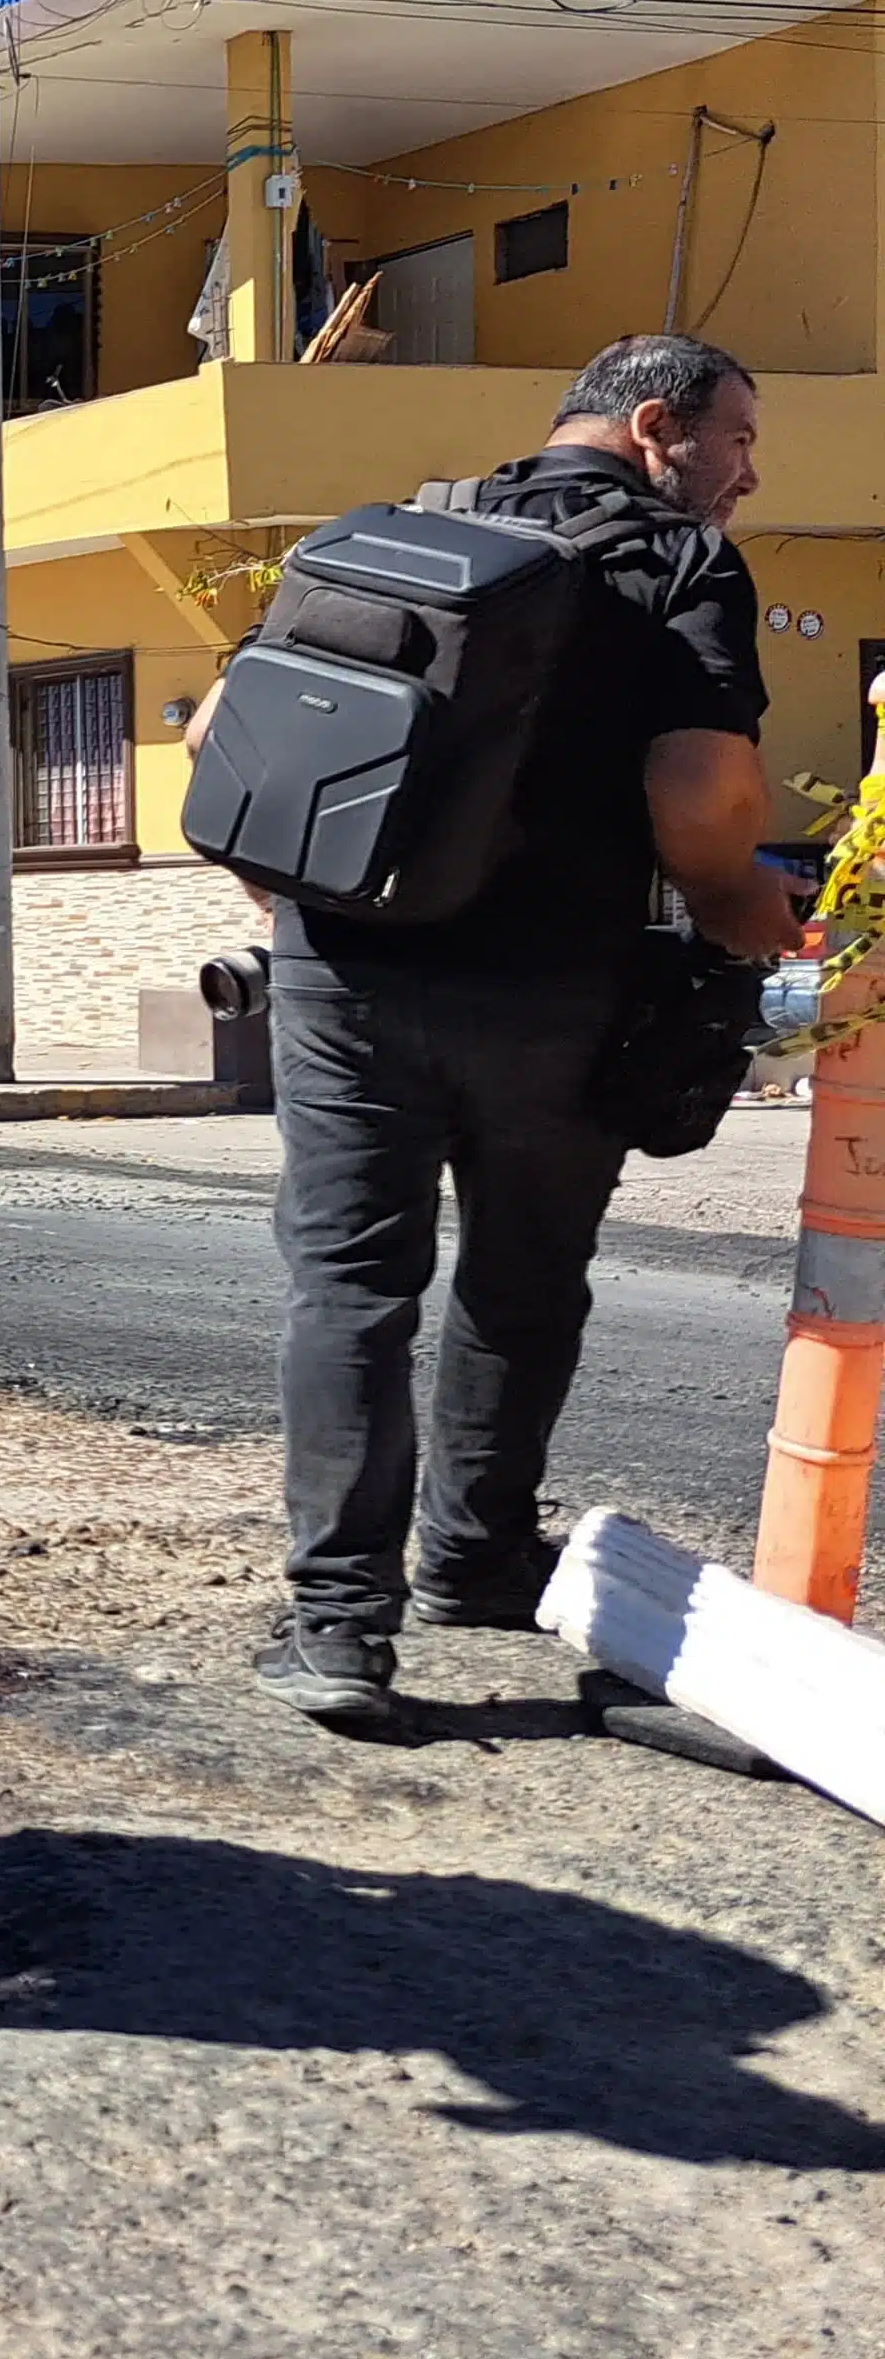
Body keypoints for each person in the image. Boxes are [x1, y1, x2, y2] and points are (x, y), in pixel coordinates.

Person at [244, 332, 797, 1727]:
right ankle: (477, 1562)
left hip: (343, 973)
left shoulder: (404, 531)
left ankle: (336, 1634)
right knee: (524, 1277)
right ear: (658, 426)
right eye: (735, 440)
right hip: (555, 982)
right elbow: (700, 778)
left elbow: (225, 756)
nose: (744, 473)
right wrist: (735, 899)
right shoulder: (677, 561)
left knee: (351, 1289)